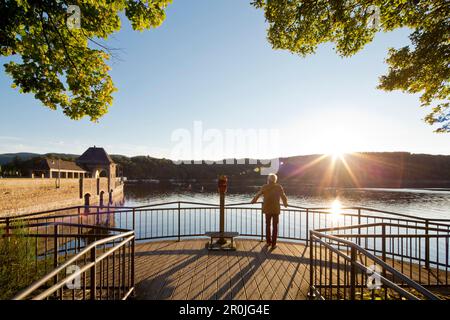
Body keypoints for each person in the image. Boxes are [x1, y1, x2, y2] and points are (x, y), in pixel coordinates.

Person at [251, 173, 288, 249]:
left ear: (268, 179)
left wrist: (254, 200)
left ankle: (268, 242)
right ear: (275, 180)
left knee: (268, 226)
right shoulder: (278, 187)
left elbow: (258, 194)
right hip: (275, 209)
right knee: (275, 227)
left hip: (267, 209)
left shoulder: (265, 187)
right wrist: (285, 203)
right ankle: (274, 244)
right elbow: (283, 196)